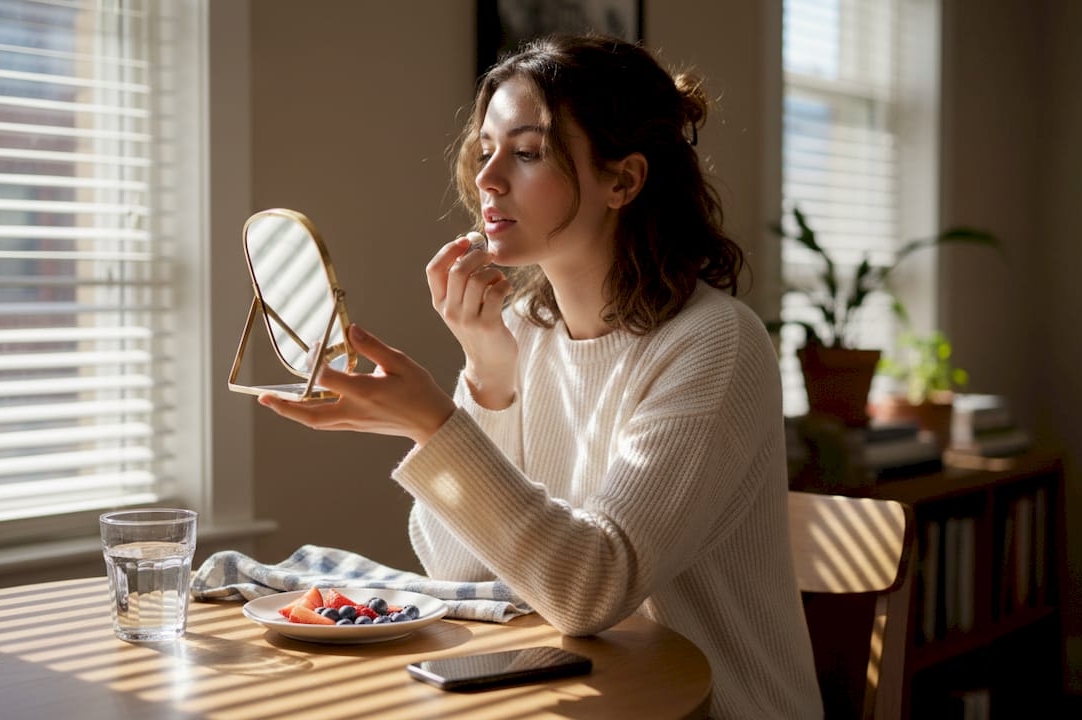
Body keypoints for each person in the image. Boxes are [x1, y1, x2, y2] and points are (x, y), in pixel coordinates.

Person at [260, 34, 823, 719]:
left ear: (624, 180)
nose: (489, 179)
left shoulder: (714, 345)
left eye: (526, 153)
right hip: (581, 698)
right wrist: (487, 380)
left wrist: (432, 424)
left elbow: (590, 593)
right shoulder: (523, 326)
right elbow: (458, 570)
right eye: (487, 149)